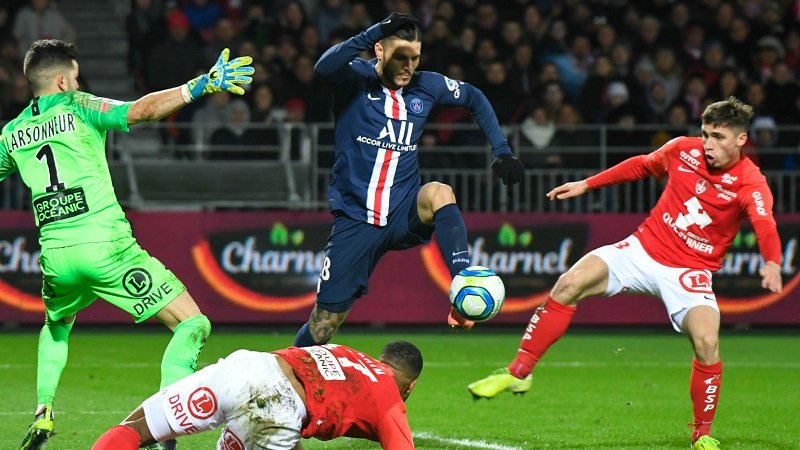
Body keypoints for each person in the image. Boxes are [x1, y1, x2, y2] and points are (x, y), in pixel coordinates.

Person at [467, 97, 783, 450]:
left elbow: (764, 223)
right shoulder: (683, 149)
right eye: (706, 134)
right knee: (570, 282)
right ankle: (518, 372)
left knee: (708, 342)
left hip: (691, 271)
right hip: (642, 249)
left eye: (719, 137)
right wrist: (588, 184)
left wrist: (771, 261)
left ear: (740, 140)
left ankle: (702, 433)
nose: (708, 144)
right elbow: (642, 166)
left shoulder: (750, 182)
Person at [1, 39, 253, 450]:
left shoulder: (11, 133)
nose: (78, 81)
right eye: (76, 76)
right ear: (64, 80)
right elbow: (141, 111)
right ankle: (165, 424)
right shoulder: (78, 105)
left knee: (57, 325)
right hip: (106, 247)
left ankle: (43, 411)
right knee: (192, 323)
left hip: (56, 256)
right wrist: (200, 85)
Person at [293, 12, 524, 347]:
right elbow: (322, 68)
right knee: (324, 325)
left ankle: (462, 284)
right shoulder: (354, 77)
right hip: (357, 219)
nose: (409, 67)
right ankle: (280, 378)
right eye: (401, 57)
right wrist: (375, 30)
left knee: (439, 192)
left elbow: (473, 97)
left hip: (403, 208)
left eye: (415, 58)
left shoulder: (426, 86)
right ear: (379, 51)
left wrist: (502, 150)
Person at [91, 340, 423, 450]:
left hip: (246, 364)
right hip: (276, 407)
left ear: (383, 360)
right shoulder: (390, 399)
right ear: (410, 386)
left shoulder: (347, 352)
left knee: (139, 427)